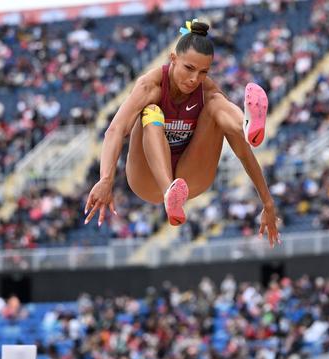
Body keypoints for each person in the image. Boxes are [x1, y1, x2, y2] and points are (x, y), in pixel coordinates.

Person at [84, 19, 280, 246]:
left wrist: (267, 203)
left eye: (203, 72)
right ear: (173, 59)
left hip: (190, 178)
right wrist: (106, 179)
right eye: (189, 68)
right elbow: (116, 130)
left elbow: (243, 153)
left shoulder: (206, 90)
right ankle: (169, 191)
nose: (194, 79)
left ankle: (246, 125)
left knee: (216, 103)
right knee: (151, 110)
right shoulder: (150, 85)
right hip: (148, 179)